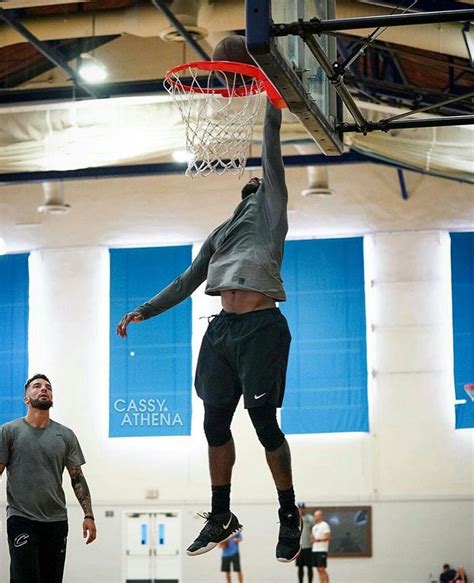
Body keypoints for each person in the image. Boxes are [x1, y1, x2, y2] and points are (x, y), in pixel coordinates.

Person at [117, 99, 301, 562]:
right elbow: (186, 281)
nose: (257, 184)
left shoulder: (270, 211)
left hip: (261, 328)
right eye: (252, 185)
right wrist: (143, 310)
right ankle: (222, 515)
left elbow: (271, 154)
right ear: (242, 193)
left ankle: (288, 513)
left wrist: (272, 103)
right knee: (213, 424)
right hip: (221, 331)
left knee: (264, 425)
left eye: (261, 183)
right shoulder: (220, 234)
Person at [0, 373, 97, 583]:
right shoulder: (9, 431)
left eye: (48, 387)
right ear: (26, 398)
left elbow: (77, 477)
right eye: (37, 386)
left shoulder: (66, 435)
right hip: (21, 518)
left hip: (56, 521)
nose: (44, 389)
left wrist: (89, 515)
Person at [296, 502, 315, 583]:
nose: (301, 510)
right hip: (299, 548)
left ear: (305, 509)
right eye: (300, 509)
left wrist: (313, 537)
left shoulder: (310, 518)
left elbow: (314, 530)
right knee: (300, 567)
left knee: (309, 566)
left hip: (308, 547)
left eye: (302, 508)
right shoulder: (295, 519)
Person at [311, 510, 331, 583]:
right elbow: (314, 538)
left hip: (322, 550)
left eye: (316, 515)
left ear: (321, 516)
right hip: (315, 549)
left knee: (322, 568)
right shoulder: (314, 527)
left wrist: (318, 540)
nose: (315, 517)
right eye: (314, 515)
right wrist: (312, 539)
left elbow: (328, 537)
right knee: (318, 569)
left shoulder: (325, 525)